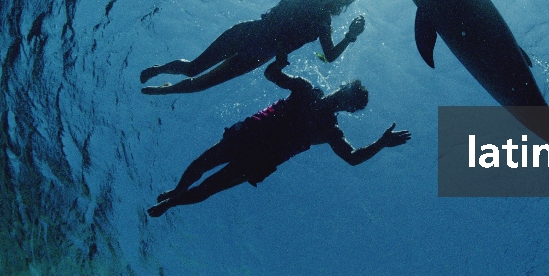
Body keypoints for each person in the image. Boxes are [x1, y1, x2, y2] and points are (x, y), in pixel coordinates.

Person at [148, 54, 410, 216]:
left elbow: (352, 157)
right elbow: (272, 74)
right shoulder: (306, 90)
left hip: (262, 155)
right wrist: (279, 61)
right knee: (201, 164)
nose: (343, 100)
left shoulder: (330, 128)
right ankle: (178, 191)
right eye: (347, 94)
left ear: (348, 108)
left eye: (348, 103)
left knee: (209, 187)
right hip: (251, 135)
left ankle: (172, 203)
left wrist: (382, 143)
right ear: (342, 88)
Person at [140, 0, 373, 95]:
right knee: (193, 68)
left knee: (202, 84)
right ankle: (160, 69)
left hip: (259, 56)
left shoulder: (324, 23)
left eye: (346, 2)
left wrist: (351, 36)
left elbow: (329, 56)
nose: (342, 2)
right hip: (251, 33)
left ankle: (165, 91)